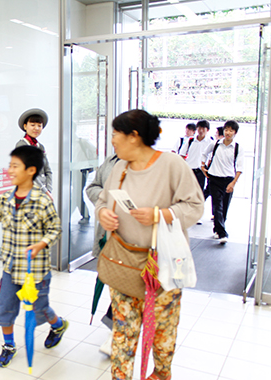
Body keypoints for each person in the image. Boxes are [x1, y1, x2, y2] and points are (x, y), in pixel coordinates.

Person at [96, 109, 203, 380]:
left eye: (115, 134)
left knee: (162, 338)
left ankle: (160, 375)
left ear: (134, 136)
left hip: (163, 269)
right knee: (123, 334)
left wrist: (161, 214)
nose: (113, 140)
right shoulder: (119, 167)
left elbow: (195, 206)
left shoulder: (171, 164)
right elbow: (102, 200)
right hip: (123, 265)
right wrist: (102, 214)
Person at [0, 145, 65, 368]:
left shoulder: (43, 200)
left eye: (15, 165)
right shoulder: (6, 198)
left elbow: (55, 229)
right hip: (10, 269)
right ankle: (8, 345)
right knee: (4, 308)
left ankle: (58, 325)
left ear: (31, 170)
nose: (10, 170)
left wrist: (41, 243)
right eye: (10, 165)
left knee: (40, 310)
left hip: (35, 273)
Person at [85, 153, 120, 356]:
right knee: (113, 281)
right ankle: (116, 325)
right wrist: (106, 199)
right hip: (108, 232)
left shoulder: (149, 163)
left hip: (133, 237)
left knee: (123, 284)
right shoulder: (110, 160)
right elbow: (92, 187)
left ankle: (116, 330)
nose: (115, 140)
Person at [201, 120, 244, 244]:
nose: (228, 132)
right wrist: (203, 167)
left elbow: (240, 167)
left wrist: (233, 183)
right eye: (226, 130)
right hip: (214, 178)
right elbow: (204, 154)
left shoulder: (237, 147)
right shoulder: (216, 144)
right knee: (217, 206)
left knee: (225, 206)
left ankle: (218, 229)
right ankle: (222, 234)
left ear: (235, 132)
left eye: (231, 130)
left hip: (228, 180)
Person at [180, 120, 213, 224]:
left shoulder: (210, 142)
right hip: (189, 169)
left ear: (207, 130)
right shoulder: (190, 140)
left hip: (201, 171)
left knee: (198, 194)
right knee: (187, 192)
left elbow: (212, 157)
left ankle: (196, 215)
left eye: (203, 128)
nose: (201, 131)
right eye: (199, 128)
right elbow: (181, 154)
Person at [16, 108, 53, 199]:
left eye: (39, 125)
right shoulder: (21, 145)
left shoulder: (40, 146)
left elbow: (48, 170)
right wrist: (45, 191)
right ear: (25, 126)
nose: (36, 128)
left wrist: (49, 189)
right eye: (32, 125)